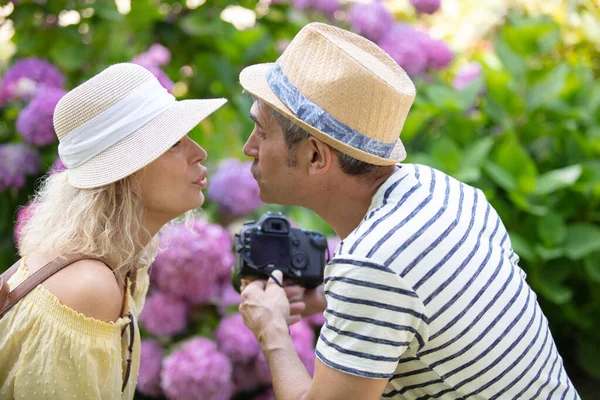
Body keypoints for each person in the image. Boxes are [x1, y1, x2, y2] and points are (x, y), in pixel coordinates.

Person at [238, 22, 580, 400]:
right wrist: (332, 299)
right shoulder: (442, 190)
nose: (248, 147)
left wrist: (273, 333)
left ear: (316, 156)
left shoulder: (373, 266)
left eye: (262, 131)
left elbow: (384, 275)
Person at [0, 63, 226, 399]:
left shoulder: (120, 265)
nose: (199, 153)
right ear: (127, 173)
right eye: (175, 143)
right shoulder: (89, 288)